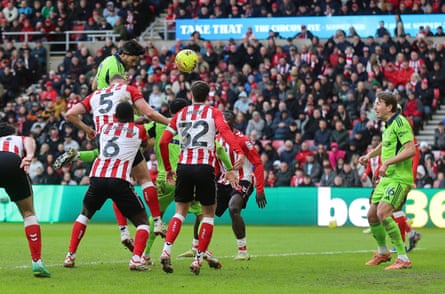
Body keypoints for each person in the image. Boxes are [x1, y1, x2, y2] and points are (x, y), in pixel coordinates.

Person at [57, 74, 169, 250]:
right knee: (143, 179)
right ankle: (157, 221)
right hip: (127, 135)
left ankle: (123, 231)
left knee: (113, 175)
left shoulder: (95, 95)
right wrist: (170, 123)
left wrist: (88, 130)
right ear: (123, 80)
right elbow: (149, 112)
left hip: (104, 137)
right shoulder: (128, 89)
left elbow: (70, 114)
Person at [159, 81, 244, 275]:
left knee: (180, 211)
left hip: (184, 167)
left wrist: (169, 168)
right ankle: (197, 260)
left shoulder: (180, 114)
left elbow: (164, 141)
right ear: (208, 95)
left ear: (191, 94)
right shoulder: (214, 113)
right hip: (205, 166)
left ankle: (166, 250)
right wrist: (238, 152)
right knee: (208, 214)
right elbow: (225, 132)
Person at [142, 98, 232, 269]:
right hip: (188, 173)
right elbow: (218, 148)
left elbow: (142, 139)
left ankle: (145, 254)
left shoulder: (160, 126)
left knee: (157, 216)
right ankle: (201, 250)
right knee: (204, 215)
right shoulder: (195, 125)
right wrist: (230, 168)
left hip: (165, 178)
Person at [63, 102, 151, 271]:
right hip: (119, 179)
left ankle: (70, 256)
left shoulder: (104, 129)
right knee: (143, 223)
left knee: (84, 215)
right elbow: (144, 144)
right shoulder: (139, 130)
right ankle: (136, 259)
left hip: (97, 177)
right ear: (131, 116)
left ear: (116, 116)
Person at [359, 92, 416, 270]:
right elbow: (385, 144)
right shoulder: (388, 125)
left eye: (378, 103)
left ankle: (403, 257)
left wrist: (388, 162)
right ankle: (383, 252)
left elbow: (410, 150)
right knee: (372, 215)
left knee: (384, 212)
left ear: (389, 107)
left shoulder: (400, 123)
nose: (375, 107)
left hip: (399, 178)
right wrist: (370, 155)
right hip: (387, 178)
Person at [214, 111, 267, 260]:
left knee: (233, 208)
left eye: (228, 119)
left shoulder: (243, 139)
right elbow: (217, 166)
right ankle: (199, 248)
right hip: (223, 181)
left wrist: (260, 189)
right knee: (205, 211)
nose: (225, 122)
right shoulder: (215, 140)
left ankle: (242, 250)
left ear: (233, 122)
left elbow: (257, 163)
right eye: (223, 120)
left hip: (243, 179)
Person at [0, 123, 51, 277]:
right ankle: (37, 261)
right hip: (12, 162)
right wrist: (29, 156)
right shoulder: (18, 138)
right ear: (13, 132)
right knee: (29, 213)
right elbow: (28, 140)